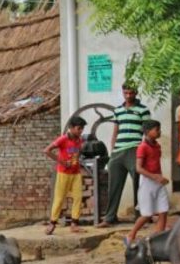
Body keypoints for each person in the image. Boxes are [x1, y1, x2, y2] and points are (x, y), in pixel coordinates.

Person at [99, 83, 151, 226]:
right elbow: (116, 130)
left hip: (135, 149)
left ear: (136, 92)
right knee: (113, 184)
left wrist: (145, 151)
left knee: (138, 184)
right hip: (118, 151)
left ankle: (140, 216)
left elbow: (148, 132)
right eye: (126, 93)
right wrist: (113, 149)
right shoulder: (118, 110)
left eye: (131, 93)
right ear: (123, 93)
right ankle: (109, 217)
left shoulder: (143, 110)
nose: (128, 96)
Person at [127, 120, 169, 246]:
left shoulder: (157, 145)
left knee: (163, 210)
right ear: (147, 132)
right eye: (157, 129)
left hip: (157, 180)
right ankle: (131, 235)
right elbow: (139, 168)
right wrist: (155, 177)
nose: (159, 132)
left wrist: (159, 177)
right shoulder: (142, 147)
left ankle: (158, 237)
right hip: (147, 182)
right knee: (147, 214)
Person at [43, 116, 87, 234]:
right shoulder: (62, 139)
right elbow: (46, 150)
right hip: (63, 173)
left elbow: (77, 153)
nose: (81, 131)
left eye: (82, 129)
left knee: (78, 198)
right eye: (78, 128)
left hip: (76, 173)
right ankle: (52, 223)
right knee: (59, 198)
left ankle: (74, 224)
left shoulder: (79, 140)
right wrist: (62, 162)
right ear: (71, 128)